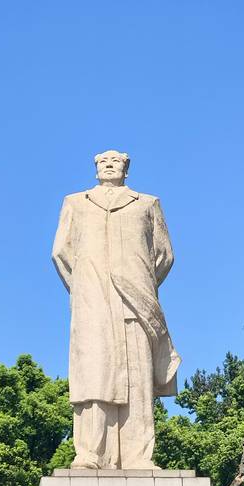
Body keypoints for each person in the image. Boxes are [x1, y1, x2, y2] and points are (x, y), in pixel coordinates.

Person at [52, 150, 181, 469]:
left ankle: (139, 456)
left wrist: (140, 280)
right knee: (94, 376)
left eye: (116, 161)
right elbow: (62, 253)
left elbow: (164, 255)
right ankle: (90, 453)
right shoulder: (76, 202)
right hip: (92, 300)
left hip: (136, 301)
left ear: (126, 168)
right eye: (103, 162)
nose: (109, 165)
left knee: (138, 378)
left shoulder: (147, 203)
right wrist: (85, 285)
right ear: (96, 169)